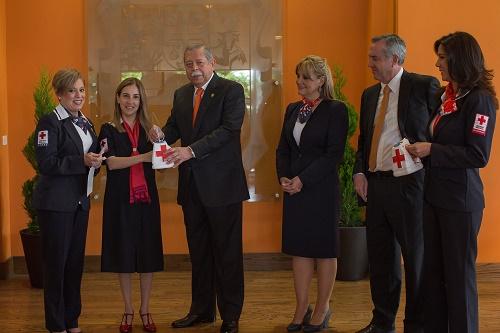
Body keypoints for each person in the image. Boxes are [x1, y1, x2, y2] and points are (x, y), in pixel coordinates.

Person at [149, 44, 249, 333]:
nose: (193, 68)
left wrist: (190, 151)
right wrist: (159, 134)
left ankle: (230, 315)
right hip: (192, 188)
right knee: (200, 252)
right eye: (187, 63)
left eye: (199, 62)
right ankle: (201, 311)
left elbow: (229, 131)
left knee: (227, 253)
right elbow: (173, 129)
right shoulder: (181, 94)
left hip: (223, 188)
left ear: (212, 62)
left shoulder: (231, 90)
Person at [406, 31, 497, 333]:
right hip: (434, 198)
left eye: (443, 57)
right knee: (434, 276)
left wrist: (432, 149)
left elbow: (477, 154)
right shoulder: (447, 97)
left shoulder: (480, 100)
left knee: (458, 279)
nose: (437, 63)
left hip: (460, 203)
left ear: (460, 59)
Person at [353, 34, 440, 333]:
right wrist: (359, 172)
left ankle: (416, 325)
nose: (370, 64)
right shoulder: (368, 95)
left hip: (410, 187)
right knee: (380, 259)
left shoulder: (423, 86)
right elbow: (364, 141)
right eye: (370, 57)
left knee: (415, 259)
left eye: (375, 58)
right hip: (376, 186)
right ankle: (382, 322)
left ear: (395, 59)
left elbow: (439, 132)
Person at [276, 55, 348, 333]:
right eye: (298, 76)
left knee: (323, 250)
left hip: (320, 189)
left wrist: (302, 179)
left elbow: (334, 155)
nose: (300, 82)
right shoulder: (293, 109)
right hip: (294, 189)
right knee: (300, 249)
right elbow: (283, 149)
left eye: (306, 77)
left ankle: (322, 308)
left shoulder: (336, 110)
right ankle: (301, 306)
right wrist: (283, 176)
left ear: (321, 80)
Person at [33, 69, 103, 333]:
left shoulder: (85, 121)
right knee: (56, 266)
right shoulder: (49, 122)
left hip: (79, 203)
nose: (79, 95)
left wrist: (96, 162)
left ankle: (72, 319)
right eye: (72, 90)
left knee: (74, 265)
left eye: (82, 90)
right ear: (60, 94)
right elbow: (47, 163)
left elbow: (89, 159)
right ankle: (55, 323)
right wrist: (82, 161)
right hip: (55, 205)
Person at [98, 78, 163, 333]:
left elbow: (161, 161)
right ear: (117, 98)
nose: (130, 102)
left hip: (147, 199)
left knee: (147, 254)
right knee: (123, 254)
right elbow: (111, 163)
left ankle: (145, 309)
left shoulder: (151, 129)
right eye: (126, 96)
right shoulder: (108, 128)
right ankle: (127, 309)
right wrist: (143, 156)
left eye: (135, 97)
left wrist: (161, 140)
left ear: (141, 100)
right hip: (119, 200)